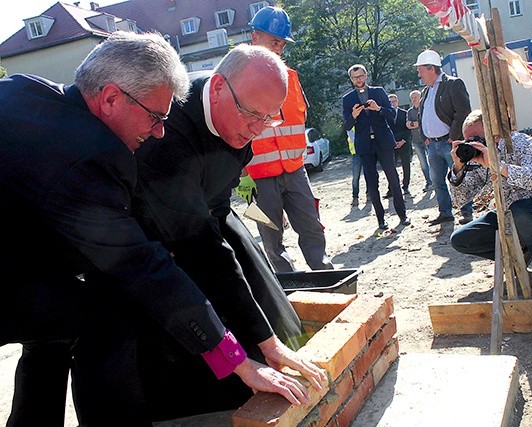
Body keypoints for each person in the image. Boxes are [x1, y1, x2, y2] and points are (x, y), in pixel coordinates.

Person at [0, 32, 323, 427]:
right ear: (112, 98)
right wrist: (237, 360)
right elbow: (145, 268)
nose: (159, 132)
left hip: (20, 262)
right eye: (155, 117)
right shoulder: (92, 157)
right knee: (105, 312)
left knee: (58, 319)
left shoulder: (23, 89)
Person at [244, 6, 333, 272]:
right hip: (258, 176)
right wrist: (241, 179)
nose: (279, 49)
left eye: (282, 43)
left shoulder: (291, 78)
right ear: (255, 38)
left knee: (311, 227)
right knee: (271, 238)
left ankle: (326, 274)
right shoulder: (237, 80)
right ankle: (288, 287)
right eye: (274, 42)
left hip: (295, 170)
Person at [448, 110, 532, 299]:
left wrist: (498, 165)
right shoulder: (478, 158)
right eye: (467, 140)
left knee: (521, 210)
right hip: (509, 214)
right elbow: (459, 200)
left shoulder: (519, 142)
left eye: (476, 137)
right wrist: (458, 168)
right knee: (461, 238)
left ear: (494, 131)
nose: (473, 143)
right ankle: (520, 255)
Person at [342, 64, 410, 230]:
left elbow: (392, 115)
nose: (358, 80)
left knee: (393, 178)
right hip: (365, 145)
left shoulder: (378, 92)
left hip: (383, 142)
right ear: (351, 80)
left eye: (361, 76)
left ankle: (403, 215)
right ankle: (381, 219)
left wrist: (378, 108)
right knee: (372, 183)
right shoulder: (348, 99)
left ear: (366, 76)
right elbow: (346, 125)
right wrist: (354, 115)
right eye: (355, 77)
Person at [414, 49, 474, 225]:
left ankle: (467, 213)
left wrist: (453, 136)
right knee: (437, 180)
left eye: (421, 70)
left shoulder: (453, 84)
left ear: (431, 68)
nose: (419, 74)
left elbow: (463, 111)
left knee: (459, 178)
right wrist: (424, 135)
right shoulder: (426, 90)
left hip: (449, 143)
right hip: (432, 145)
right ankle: (445, 212)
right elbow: (421, 113)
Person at [385, 93, 413, 197]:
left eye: (394, 101)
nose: (393, 103)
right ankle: (391, 189)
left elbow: (408, 129)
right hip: (391, 144)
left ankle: (405, 187)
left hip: (404, 143)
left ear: (398, 101)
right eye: (390, 102)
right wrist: (392, 142)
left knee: (406, 166)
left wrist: (403, 140)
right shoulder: (385, 114)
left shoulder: (405, 113)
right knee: (390, 167)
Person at [406, 89, 433, 192]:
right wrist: (416, 124)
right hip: (416, 141)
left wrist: (415, 124)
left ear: (420, 97)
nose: (414, 99)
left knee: (432, 161)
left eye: (415, 97)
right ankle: (429, 182)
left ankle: (435, 181)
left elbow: (424, 123)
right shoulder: (409, 111)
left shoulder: (425, 108)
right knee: (423, 163)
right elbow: (408, 125)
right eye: (412, 98)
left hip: (427, 139)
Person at [347, 126, 367, 206]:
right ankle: (355, 197)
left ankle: (369, 194)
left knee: (368, 175)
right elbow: (353, 137)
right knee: (355, 177)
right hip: (356, 153)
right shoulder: (350, 125)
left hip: (365, 151)